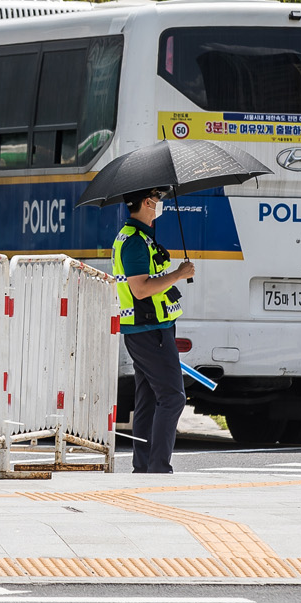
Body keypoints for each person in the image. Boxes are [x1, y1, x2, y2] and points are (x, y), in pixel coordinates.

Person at [116, 189, 197, 473]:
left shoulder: (139, 237)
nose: (160, 203)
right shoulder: (135, 242)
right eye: (156, 198)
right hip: (150, 330)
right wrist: (178, 274)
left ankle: (144, 466)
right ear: (147, 203)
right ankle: (158, 467)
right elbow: (140, 289)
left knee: (149, 399)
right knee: (173, 397)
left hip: (150, 329)